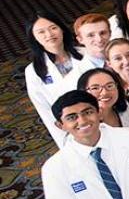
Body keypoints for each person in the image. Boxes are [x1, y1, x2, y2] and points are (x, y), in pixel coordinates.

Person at [26, 11, 95, 147]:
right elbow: (45, 110)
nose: (49, 35)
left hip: (96, 115)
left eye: (53, 28)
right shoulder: (33, 72)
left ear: (62, 29)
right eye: (41, 32)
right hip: (71, 128)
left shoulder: (86, 54)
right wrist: (64, 143)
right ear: (34, 37)